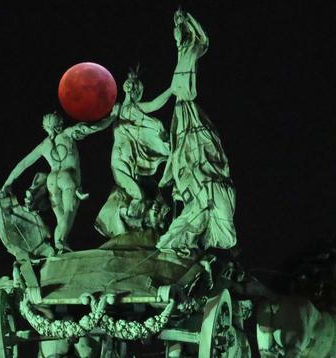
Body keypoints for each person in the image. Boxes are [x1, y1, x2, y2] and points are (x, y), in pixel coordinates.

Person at [157, 9, 237, 255]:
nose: (178, 36)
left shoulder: (193, 48)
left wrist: (187, 19)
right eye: (175, 33)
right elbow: (170, 93)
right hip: (180, 110)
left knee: (201, 146)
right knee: (183, 153)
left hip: (188, 108)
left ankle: (202, 180)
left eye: (181, 32)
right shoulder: (181, 53)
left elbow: (204, 40)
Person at [1, 112, 112, 252]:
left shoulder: (44, 145)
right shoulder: (68, 133)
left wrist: (7, 183)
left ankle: (60, 246)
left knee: (61, 218)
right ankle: (60, 242)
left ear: (45, 127)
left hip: (52, 180)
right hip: (68, 177)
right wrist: (112, 117)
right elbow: (94, 127)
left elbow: (23, 164)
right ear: (60, 124)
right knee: (69, 211)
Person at [95, 69, 172, 238]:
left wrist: (172, 89)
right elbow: (106, 122)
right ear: (125, 87)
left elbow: (155, 104)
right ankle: (125, 219)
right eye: (129, 85)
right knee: (137, 194)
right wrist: (94, 127)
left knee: (138, 190)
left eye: (134, 86)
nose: (131, 87)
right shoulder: (117, 108)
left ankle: (135, 221)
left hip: (133, 160)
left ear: (137, 91)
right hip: (120, 158)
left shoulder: (137, 107)